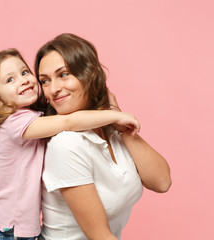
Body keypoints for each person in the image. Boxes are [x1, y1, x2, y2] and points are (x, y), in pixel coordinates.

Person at [0, 48, 141, 240]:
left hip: (20, 228)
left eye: (25, 72)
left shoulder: (31, 118)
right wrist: (114, 115)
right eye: (10, 80)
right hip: (6, 230)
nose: (24, 80)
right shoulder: (12, 123)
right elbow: (67, 121)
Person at [34, 33, 172, 240]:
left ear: (89, 74)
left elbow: (162, 182)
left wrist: (122, 125)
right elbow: (100, 236)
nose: (53, 89)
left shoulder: (110, 129)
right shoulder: (66, 144)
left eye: (63, 75)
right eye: (45, 81)